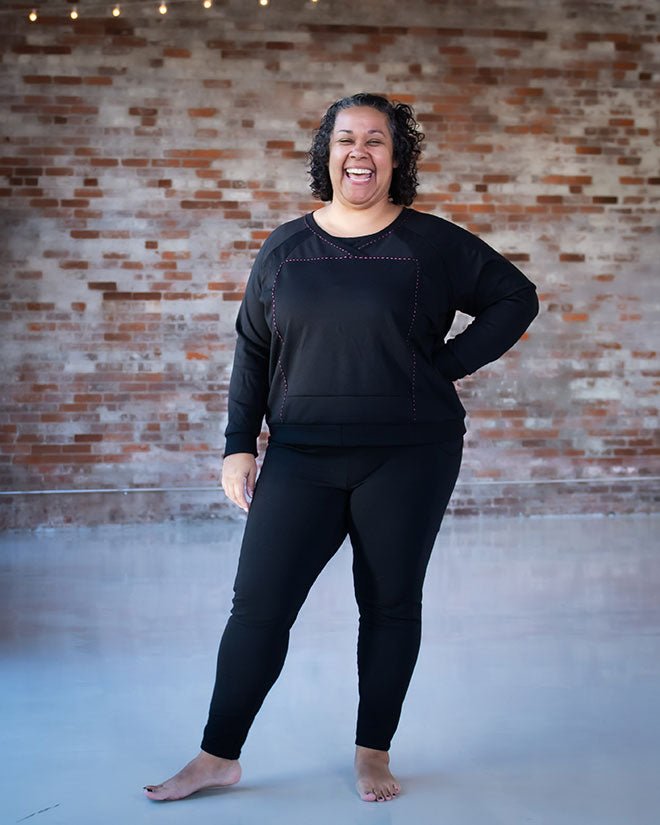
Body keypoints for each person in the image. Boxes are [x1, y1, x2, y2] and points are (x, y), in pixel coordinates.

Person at [144, 92, 538, 803]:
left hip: (409, 455)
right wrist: (239, 444)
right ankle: (216, 756)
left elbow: (517, 297)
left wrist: (442, 366)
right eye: (346, 138)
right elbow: (253, 348)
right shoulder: (286, 248)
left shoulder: (431, 243)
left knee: (389, 604)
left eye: (377, 140)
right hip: (302, 454)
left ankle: (372, 752)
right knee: (258, 607)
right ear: (327, 154)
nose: (360, 151)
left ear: (397, 156)